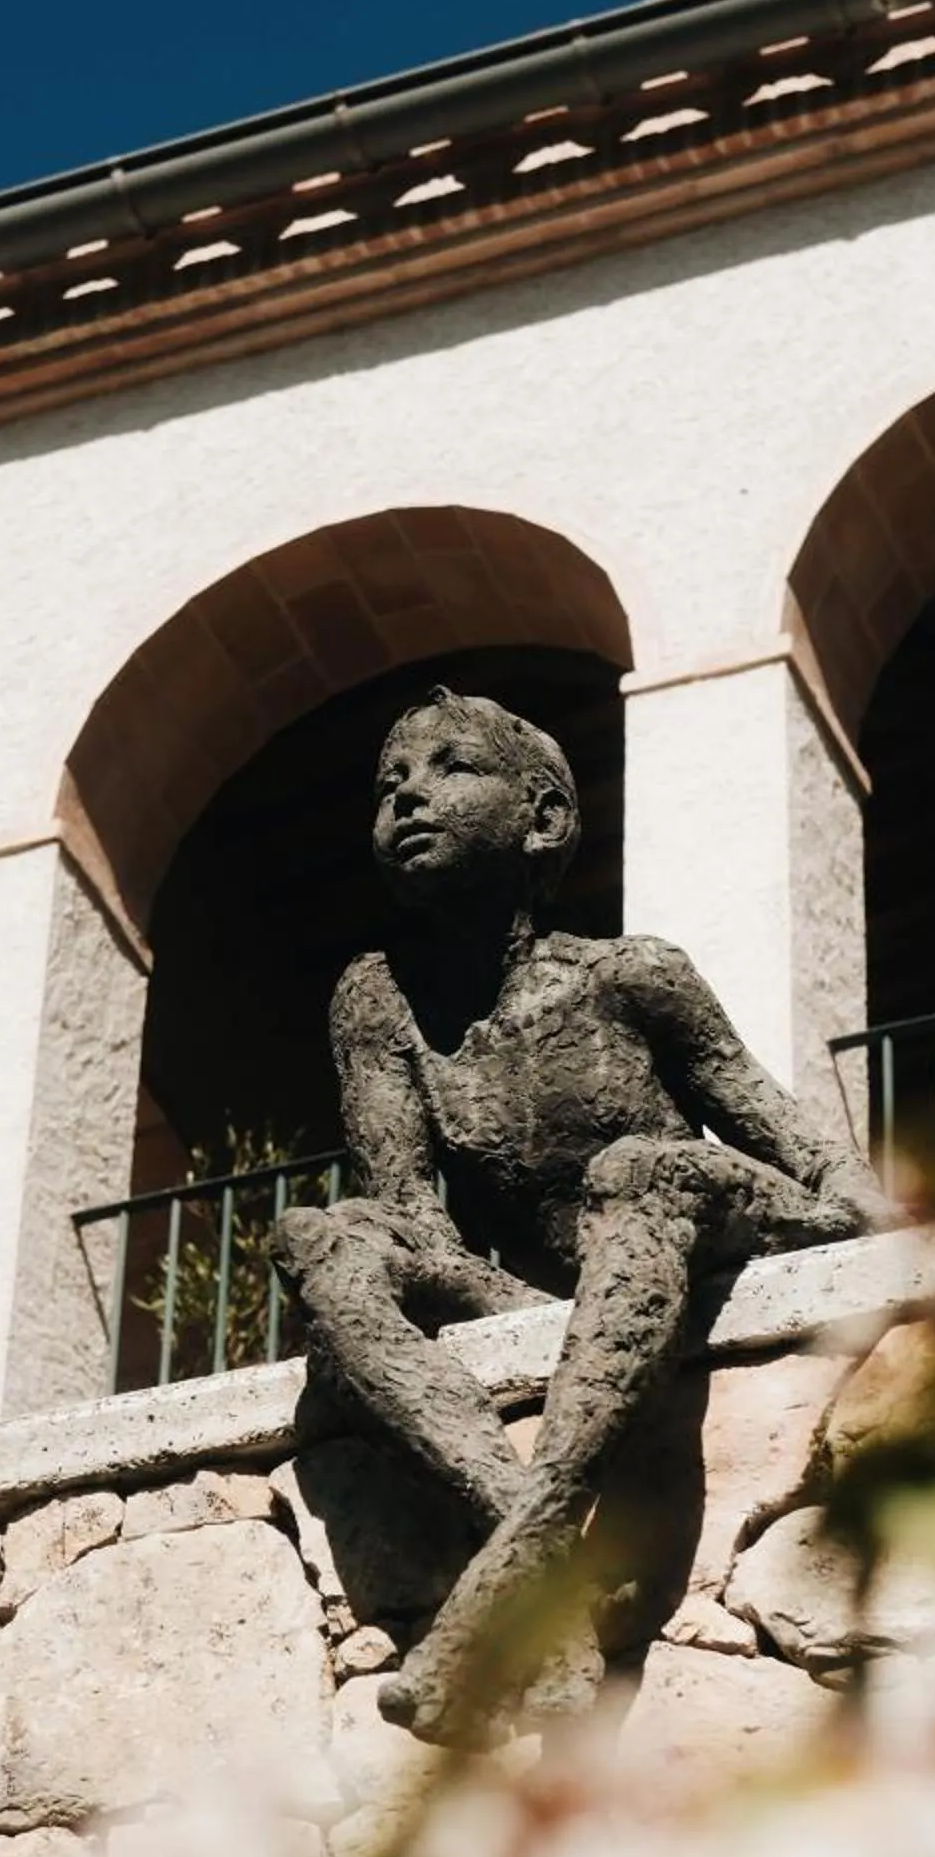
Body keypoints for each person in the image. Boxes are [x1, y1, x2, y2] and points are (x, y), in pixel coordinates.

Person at [272, 687, 886, 1741]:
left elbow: (813, 1165)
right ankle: (535, 1550)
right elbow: (414, 1218)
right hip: (546, 1287)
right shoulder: (377, 1002)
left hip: (691, 1221)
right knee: (322, 1235)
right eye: (390, 784)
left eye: (450, 767)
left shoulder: (632, 977)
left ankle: (518, 1556)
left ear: (544, 816)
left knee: (641, 1169)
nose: (409, 795)